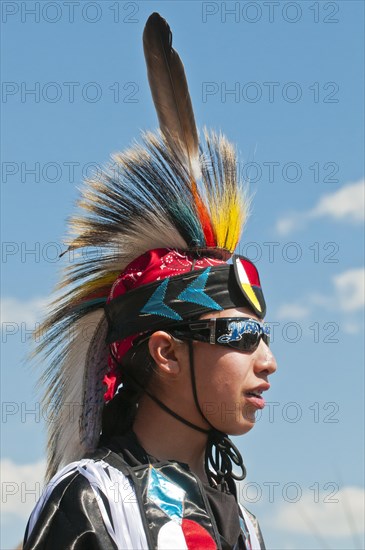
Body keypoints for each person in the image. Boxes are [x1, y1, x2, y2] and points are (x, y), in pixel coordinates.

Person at [23, 12, 277, 550]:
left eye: (265, 337)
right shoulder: (93, 499)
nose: (267, 361)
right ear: (165, 351)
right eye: (239, 337)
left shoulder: (243, 524)